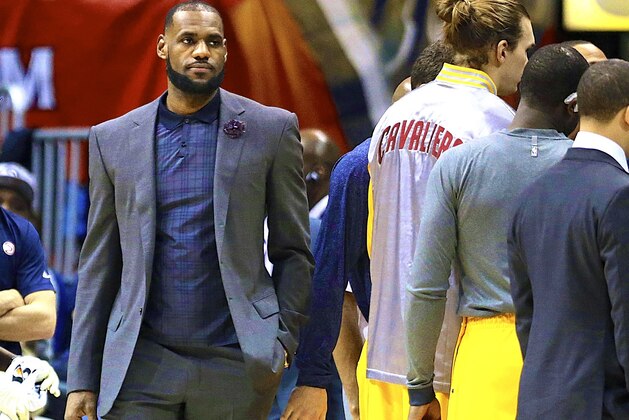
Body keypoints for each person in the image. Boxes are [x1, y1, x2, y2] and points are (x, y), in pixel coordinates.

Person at [64, 2, 313, 419]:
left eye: (213, 42)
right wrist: (82, 379)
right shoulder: (113, 139)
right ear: (163, 47)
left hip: (236, 363)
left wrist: (281, 342)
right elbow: (99, 265)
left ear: (226, 51)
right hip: (140, 363)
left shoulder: (271, 129)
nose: (202, 51)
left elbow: (294, 251)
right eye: (188, 40)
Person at [368, 0, 534, 418]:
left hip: (382, 351)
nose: (527, 63)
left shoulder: (392, 116)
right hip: (453, 361)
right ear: (501, 50)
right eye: (526, 50)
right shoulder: (498, 124)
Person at [405, 44, 588, 420]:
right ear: (574, 105)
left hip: (487, 359)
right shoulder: (594, 171)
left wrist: (420, 387)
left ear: (522, 90)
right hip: (570, 356)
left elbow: (426, 287)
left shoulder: (458, 164)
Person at [282, 40, 456, 420]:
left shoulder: (472, 153)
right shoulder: (360, 168)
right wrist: (333, 384)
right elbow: (333, 283)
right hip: (391, 367)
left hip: (464, 355)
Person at [508, 59, 629, 419]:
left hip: (538, 403)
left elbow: (526, 318)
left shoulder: (531, 195)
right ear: (628, 115)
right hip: (603, 405)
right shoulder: (620, 195)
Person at [0, 164, 56, 357]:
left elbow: (44, 321)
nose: (6, 209)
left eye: (18, 206)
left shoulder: (23, 233)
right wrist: (9, 299)